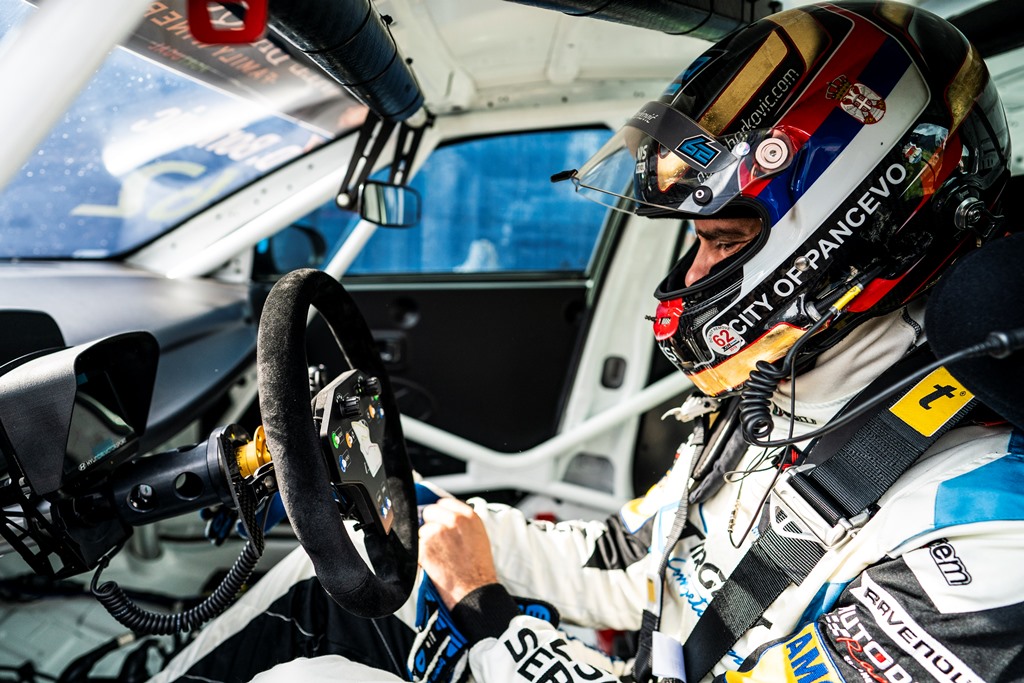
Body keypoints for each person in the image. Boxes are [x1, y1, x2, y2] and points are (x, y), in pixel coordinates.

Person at [147, 2, 1024, 682]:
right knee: (337, 584)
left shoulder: (988, 529)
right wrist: (445, 527)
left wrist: (491, 616)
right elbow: (638, 560)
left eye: (721, 240)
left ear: (856, 235)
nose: (689, 274)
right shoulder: (789, 384)